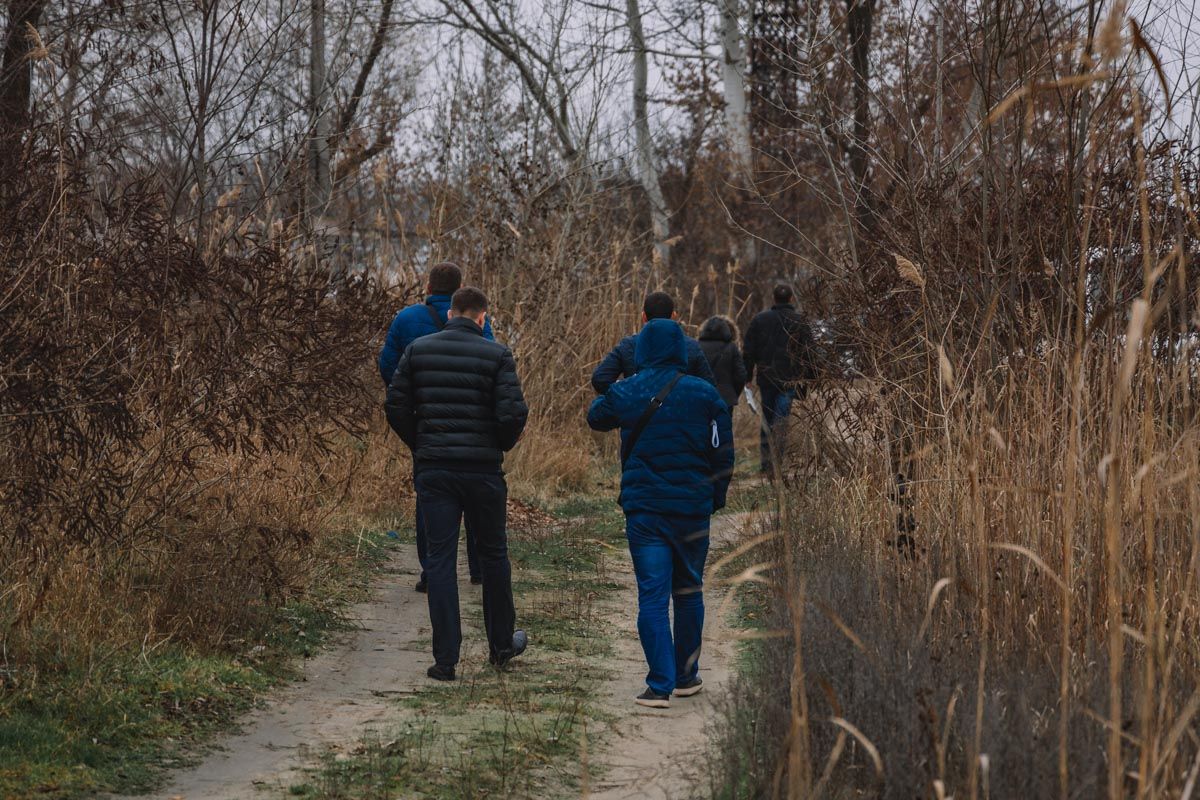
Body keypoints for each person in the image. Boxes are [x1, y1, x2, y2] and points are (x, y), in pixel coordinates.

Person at [587, 318, 734, 708]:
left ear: (644, 350)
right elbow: (723, 453)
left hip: (645, 510)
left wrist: (621, 387)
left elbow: (595, 416)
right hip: (691, 509)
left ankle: (659, 685)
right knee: (689, 591)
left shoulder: (630, 389)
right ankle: (686, 676)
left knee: (652, 595)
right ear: (682, 351)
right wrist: (714, 498)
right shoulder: (705, 394)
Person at [385, 287, 530, 681]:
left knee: (440, 560)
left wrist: (422, 441)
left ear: (451, 314)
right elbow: (514, 412)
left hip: (436, 471)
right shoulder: (498, 354)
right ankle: (501, 647)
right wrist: (497, 443)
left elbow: (395, 404)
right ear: (482, 317)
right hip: (483, 471)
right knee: (494, 556)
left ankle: (445, 660)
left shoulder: (418, 351)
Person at [378, 262, 493, 591]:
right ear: (459, 291)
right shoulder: (477, 321)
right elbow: (494, 360)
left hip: (425, 421)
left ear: (428, 288)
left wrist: (413, 400)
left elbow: (388, 365)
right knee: (475, 493)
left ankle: (432, 572)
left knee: (430, 495)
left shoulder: (406, 319)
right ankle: (479, 569)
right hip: (473, 423)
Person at [741, 284, 816, 475]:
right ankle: (776, 464)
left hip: (767, 379)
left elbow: (748, 351)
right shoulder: (800, 322)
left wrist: (747, 376)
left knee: (767, 419)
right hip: (789, 380)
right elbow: (810, 352)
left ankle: (767, 464)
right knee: (781, 419)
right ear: (791, 298)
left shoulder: (760, 320)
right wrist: (811, 377)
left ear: (773, 299)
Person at [591, 291, 716, 394]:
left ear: (643, 316)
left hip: (638, 420)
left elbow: (600, 379)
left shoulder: (628, 345)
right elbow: (710, 388)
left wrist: (625, 396)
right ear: (674, 316)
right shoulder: (692, 346)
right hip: (680, 420)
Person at [698, 315, 748, 409]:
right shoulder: (732, 348)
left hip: (701, 396)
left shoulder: (697, 346)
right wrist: (732, 393)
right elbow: (741, 375)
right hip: (725, 399)